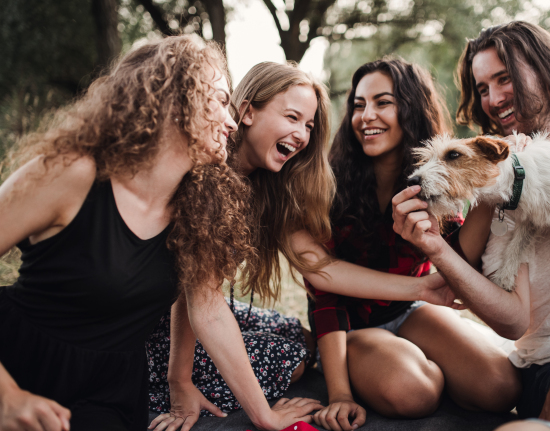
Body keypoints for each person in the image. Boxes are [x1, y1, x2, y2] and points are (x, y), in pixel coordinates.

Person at [0, 36, 320, 431]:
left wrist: (265, 417)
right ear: (175, 99)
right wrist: (7, 396)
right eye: (220, 100)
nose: (232, 120)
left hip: (110, 388)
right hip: (21, 362)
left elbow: (208, 309)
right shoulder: (73, 172)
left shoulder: (201, 204)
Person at [290, 56, 520, 431]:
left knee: (500, 388)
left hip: (412, 308)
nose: (367, 116)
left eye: (383, 102)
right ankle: (402, 368)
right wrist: (340, 393)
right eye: (359, 105)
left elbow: (457, 264)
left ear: (411, 108)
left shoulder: (437, 178)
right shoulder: (327, 185)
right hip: (351, 327)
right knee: (416, 392)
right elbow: (324, 292)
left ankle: (425, 364)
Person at [392, 21, 550, 430]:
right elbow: (513, 321)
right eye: (482, 88)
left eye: (504, 78)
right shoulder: (499, 181)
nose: (493, 99)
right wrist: (435, 248)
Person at [147, 61, 334, 431]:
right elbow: (200, 301)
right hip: (150, 324)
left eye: (308, 125)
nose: (301, 134)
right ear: (247, 112)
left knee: (301, 337)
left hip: (189, 304)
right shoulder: (210, 171)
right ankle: (158, 382)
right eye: (292, 117)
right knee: (291, 357)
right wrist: (262, 415)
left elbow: (196, 287)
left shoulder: (257, 180)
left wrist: (421, 286)